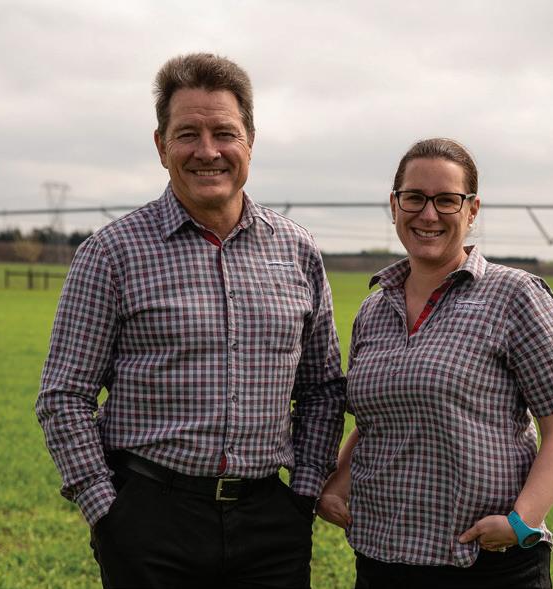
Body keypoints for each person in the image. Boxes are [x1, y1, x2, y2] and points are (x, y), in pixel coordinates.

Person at [36, 53, 345, 589]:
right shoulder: (111, 253)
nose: (208, 151)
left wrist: (304, 490)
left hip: (271, 523)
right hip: (150, 521)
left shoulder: (298, 250)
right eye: (187, 134)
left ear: (250, 141)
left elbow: (321, 387)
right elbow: (64, 396)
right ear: (161, 146)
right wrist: (107, 510)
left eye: (224, 133)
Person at [317, 138, 553, 588]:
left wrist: (522, 521)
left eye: (446, 200)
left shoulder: (515, 295)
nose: (428, 214)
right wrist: (337, 484)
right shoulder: (374, 310)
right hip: (381, 556)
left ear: (472, 209)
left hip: (484, 562)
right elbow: (374, 422)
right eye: (414, 198)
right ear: (394, 205)